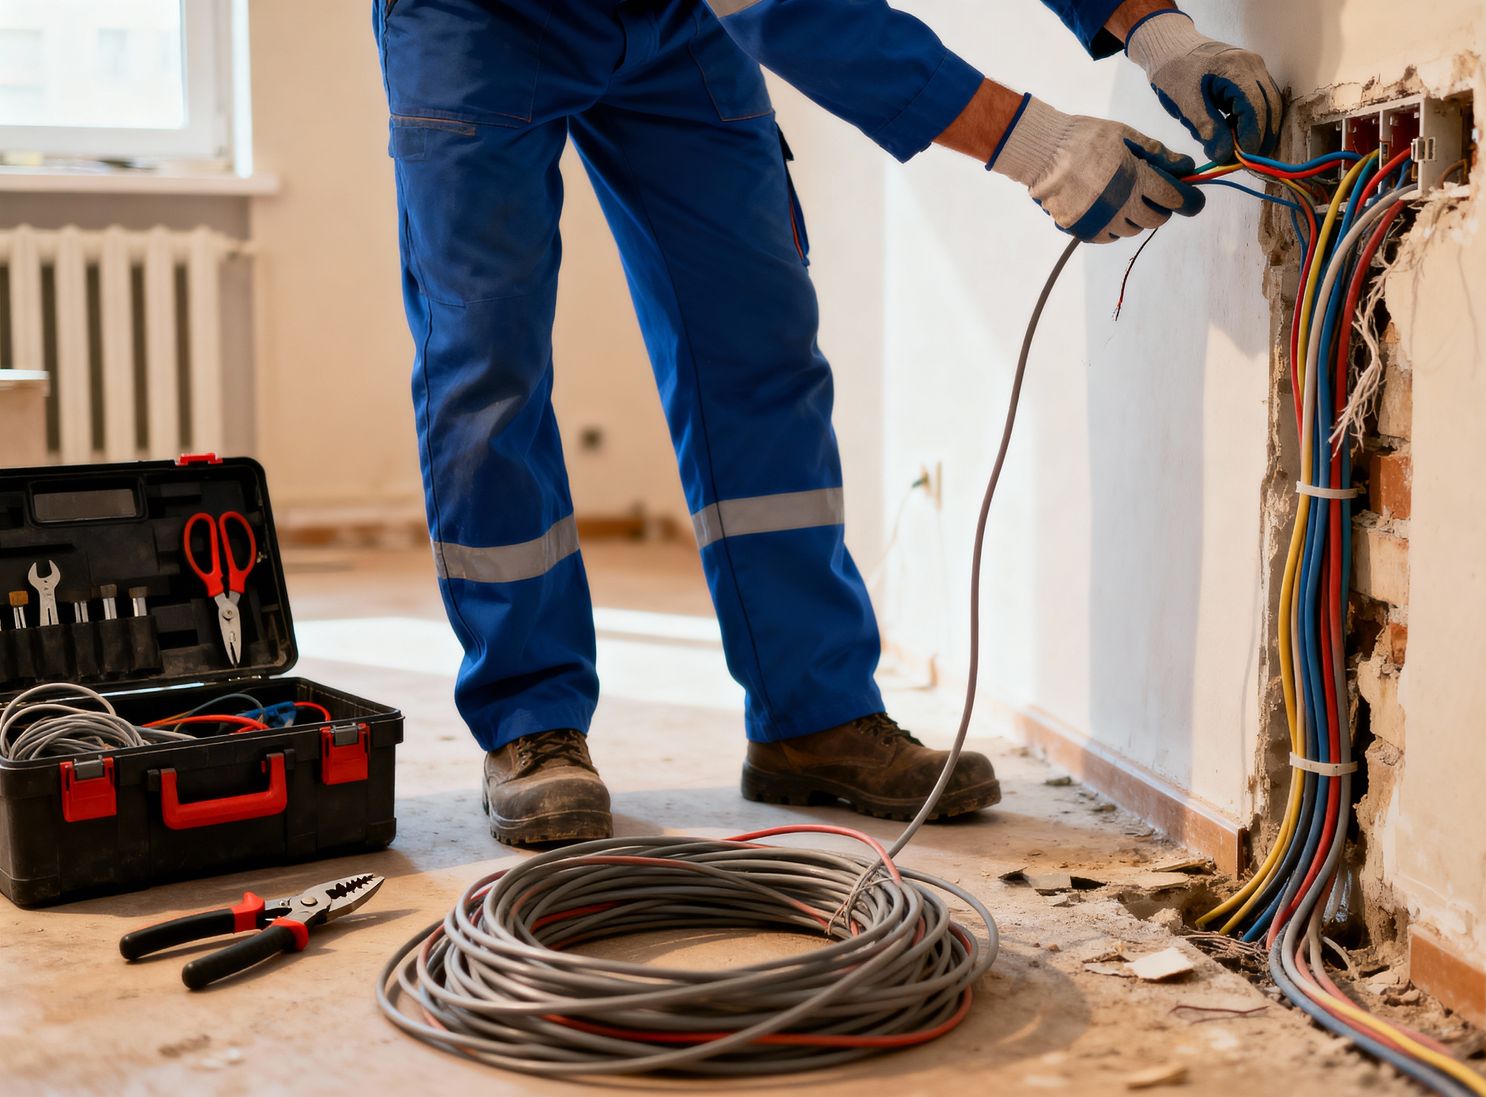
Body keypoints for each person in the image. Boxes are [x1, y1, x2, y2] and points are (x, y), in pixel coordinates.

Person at [372, 0, 1281, 846]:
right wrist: (1039, 146)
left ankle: (811, 715)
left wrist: (1155, 31)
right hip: (478, 22)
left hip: (676, 23)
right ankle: (530, 718)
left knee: (758, 340)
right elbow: (801, 11)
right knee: (487, 363)